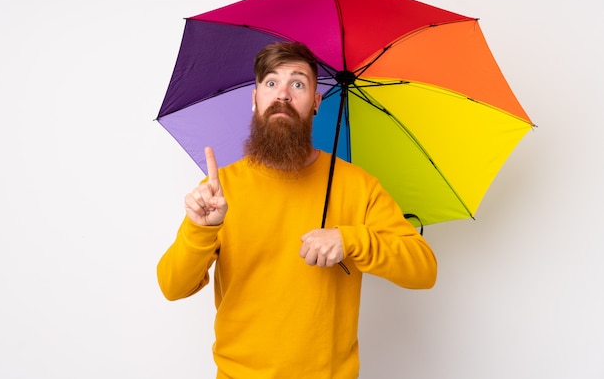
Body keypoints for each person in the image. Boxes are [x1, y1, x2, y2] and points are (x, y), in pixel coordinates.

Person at [157, 41, 437, 379]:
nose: (283, 95)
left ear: (316, 102)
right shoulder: (221, 189)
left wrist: (351, 240)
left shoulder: (357, 186)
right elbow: (172, 286)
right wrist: (200, 228)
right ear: (255, 98)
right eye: (271, 83)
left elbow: (424, 270)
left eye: (299, 83)